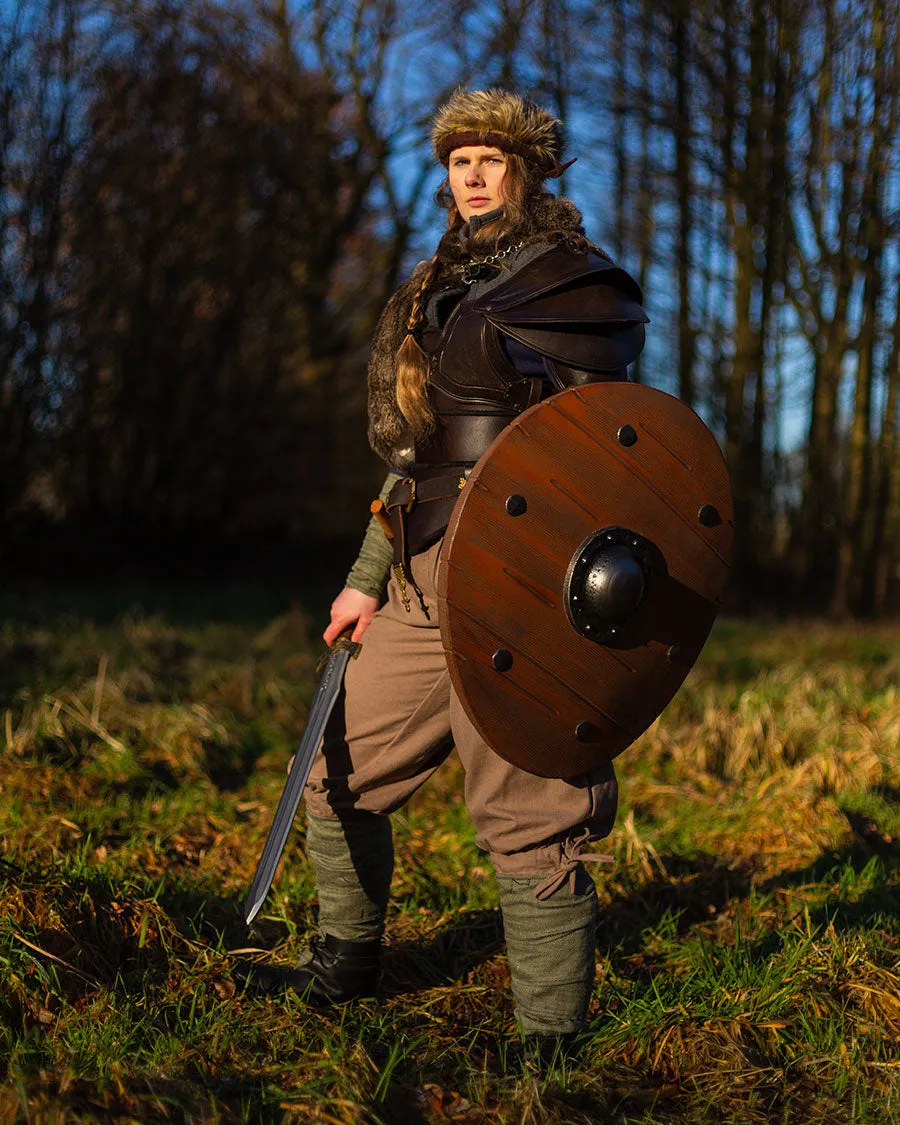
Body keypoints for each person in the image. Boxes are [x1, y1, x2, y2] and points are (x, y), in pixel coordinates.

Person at [247, 88, 646, 1061]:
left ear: (528, 168)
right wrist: (363, 577)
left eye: (490, 158)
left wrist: (573, 593)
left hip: (524, 569)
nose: (471, 175)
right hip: (422, 566)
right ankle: (347, 958)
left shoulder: (570, 282)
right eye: (457, 159)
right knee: (341, 764)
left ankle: (550, 1038)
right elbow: (412, 461)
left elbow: (611, 451)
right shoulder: (435, 287)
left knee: (531, 803)